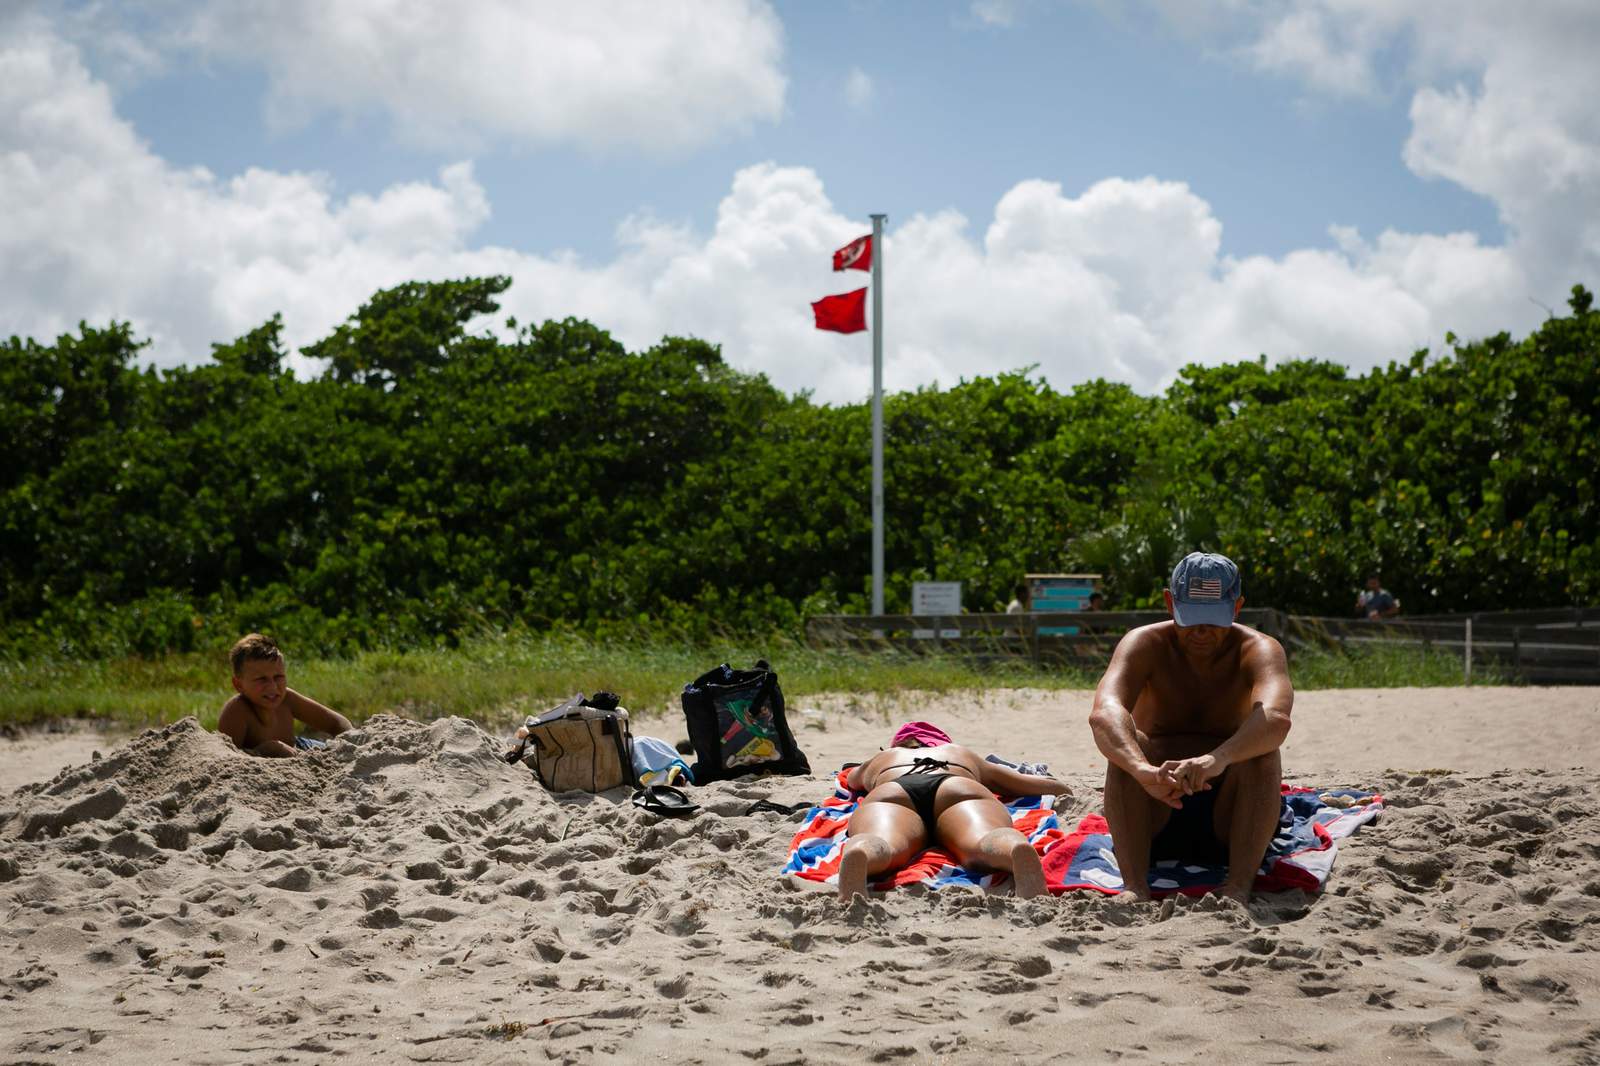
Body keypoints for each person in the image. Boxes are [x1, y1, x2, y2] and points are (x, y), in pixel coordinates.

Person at [1087, 552, 1293, 903]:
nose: (1201, 631)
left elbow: (1276, 719)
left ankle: (1238, 887)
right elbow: (1104, 713)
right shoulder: (1144, 644)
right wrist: (1142, 770)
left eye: (1213, 620)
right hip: (1154, 810)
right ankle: (1135, 885)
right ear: (1170, 602)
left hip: (1231, 817)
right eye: (1191, 618)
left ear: (1237, 607)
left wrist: (1217, 758)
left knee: (1263, 752)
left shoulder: (1257, 649)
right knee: (1127, 747)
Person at [838, 721, 1071, 901]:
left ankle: (863, 852)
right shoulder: (959, 753)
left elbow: (853, 780)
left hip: (893, 790)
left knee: (885, 844)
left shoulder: (884, 757)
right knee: (982, 840)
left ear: (897, 745)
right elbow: (1022, 783)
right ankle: (1012, 849)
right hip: (956, 785)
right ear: (940, 743)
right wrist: (1058, 787)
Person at [218, 633, 352, 757]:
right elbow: (225, 757)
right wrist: (263, 750)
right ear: (239, 685)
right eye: (261, 679)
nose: (272, 687)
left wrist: (351, 740)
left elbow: (337, 723)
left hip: (301, 747)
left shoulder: (287, 699)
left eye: (278, 677)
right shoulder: (237, 711)